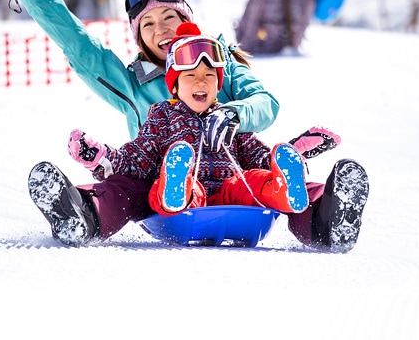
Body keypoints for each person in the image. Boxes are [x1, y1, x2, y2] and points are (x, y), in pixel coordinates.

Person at [0, 0, 369, 252]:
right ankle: (82, 214)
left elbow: (265, 104)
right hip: (161, 182)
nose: (161, 28)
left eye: (169, 16)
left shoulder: (217, 61)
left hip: (229, 171)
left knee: (278, 179)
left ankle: (327, 218)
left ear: (187, 19)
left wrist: (234, 115)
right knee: (121, 189)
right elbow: (79, 45)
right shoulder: (132, 81)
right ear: (139, 36)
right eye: (148, 23)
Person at [69, 22, 314, 221]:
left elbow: (255, 155)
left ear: (218, 86)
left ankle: (283, 191)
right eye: (190, 76)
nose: (201, 82)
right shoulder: (162, 115)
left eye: (209, 76)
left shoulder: (227, 118)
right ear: (174, 86)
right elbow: (138, 157)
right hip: (189, 197)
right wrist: (103, 158)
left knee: (252, 180)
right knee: (164, 185)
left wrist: (279, 165)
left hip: (229, 193)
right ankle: (176, 185)